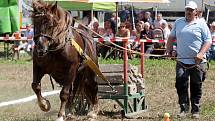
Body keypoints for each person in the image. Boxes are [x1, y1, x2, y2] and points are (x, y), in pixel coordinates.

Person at [166, 1, 212, 119]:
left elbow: (208, 41)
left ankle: (195, 110)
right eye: (187, 10)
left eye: (191, 10)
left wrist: (201, 53)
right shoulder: (178, 22)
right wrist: (169, 51)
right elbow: (171, 37)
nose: (189, 12)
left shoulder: (201, 24)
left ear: (196, 12)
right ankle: (183, 108)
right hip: (181, 60)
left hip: (198, 62)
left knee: (196, 85)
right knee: (181, 84)